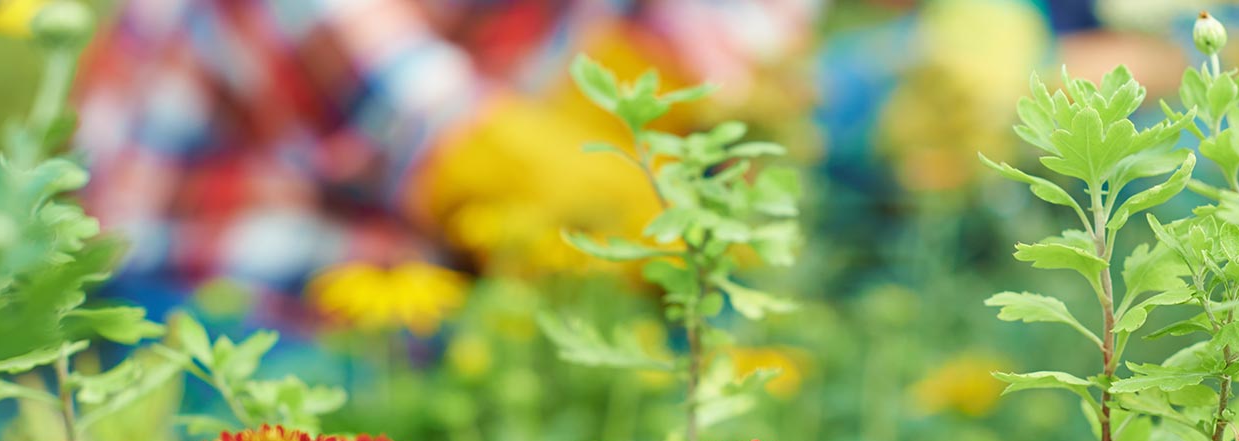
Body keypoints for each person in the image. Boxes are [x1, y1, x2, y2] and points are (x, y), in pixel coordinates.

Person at [73, 0, 820, 323]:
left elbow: (728, 39)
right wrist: (590, 205)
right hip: (210, 293)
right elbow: (405, 111)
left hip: (433, 299)